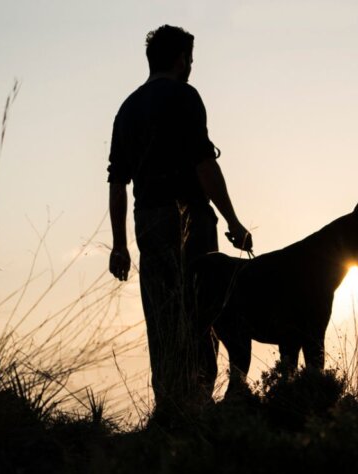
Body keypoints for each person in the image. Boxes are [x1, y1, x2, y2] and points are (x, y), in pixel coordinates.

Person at [106, 25, 253, 421]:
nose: (191, 66)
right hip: (191, 218)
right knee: (203, 310)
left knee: (162, 315)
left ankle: (170, 407)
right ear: (178, 59)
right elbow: (204, 163)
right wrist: (233, 221)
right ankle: (200, 404)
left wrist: (119, 245)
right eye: (189, 58)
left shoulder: (127, 109)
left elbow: (117, 182)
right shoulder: (186, 97)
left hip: (147, 223)